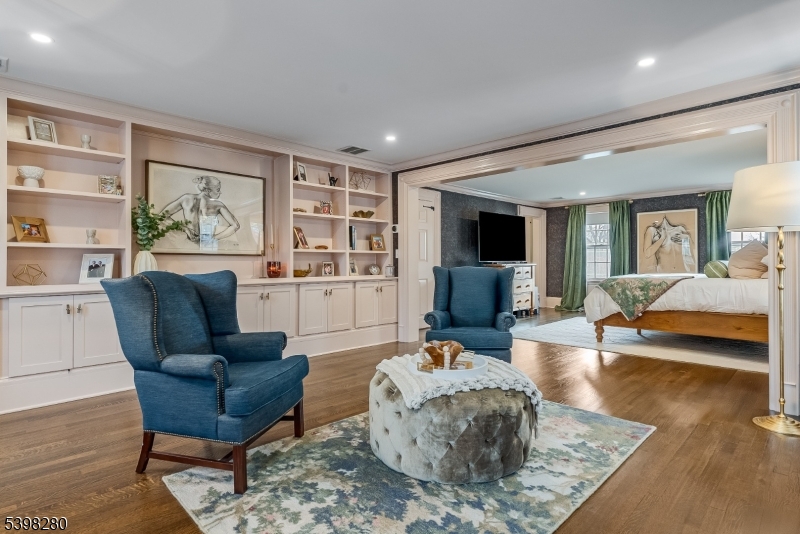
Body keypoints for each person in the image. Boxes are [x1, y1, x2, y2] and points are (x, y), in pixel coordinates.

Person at [160, 175, 241, 244]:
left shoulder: (186, 199)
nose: (220, 193)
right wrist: (214, 238)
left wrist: (185, 229)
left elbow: (161, 216)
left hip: (188, 243)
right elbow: (236, 225)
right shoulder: (218, 205)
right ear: (208, 190)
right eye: (218, 190)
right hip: (207, 245)